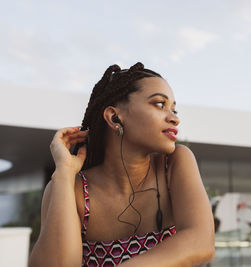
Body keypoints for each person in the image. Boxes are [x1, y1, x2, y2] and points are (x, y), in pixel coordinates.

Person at [28, 63, 215, 267]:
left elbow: (201, 243)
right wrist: (63, 175)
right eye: (160, 104)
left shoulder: (175, 164)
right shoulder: (72, 190)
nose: (174, 118)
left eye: (174, 109)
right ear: (114, 117)